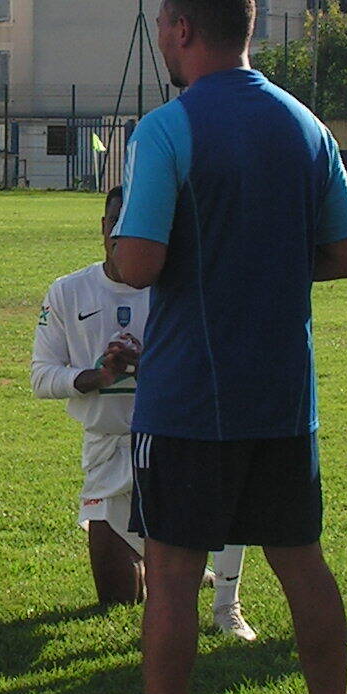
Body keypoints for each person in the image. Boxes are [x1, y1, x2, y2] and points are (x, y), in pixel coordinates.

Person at [90, 0, 347, 694]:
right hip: (284, 394)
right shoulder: (304, 123)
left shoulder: (169, 128)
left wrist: (111, 252)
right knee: (303, 565)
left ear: (180, 30)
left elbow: (136, 265)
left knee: (171, 576)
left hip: (190, 399)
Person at [32, 184, 257, 636]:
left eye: (135, 224)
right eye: (115, 223)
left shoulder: (182, 287)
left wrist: (150, 363)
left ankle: (222, 600)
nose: (122, 234)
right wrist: (97, 376)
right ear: (102, 228)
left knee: (217, 503)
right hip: (107, 452)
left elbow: (215, 372)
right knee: (118, 597)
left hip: (175, 444)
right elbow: (41, 377)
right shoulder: (67, 291)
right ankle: (181, 571)